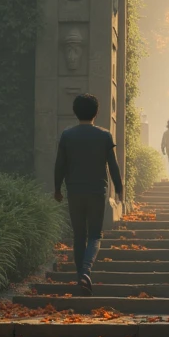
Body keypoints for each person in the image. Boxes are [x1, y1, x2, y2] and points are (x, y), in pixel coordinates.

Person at [54, 93, 123, 294]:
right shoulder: (104, 135)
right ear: (97, 112)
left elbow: (60, 165)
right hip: (96, 191)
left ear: (75, 112)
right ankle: (86, 272)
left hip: (74, 190)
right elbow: (113, 165)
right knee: (94, 235)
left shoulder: (67, 135)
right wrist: (119, 189)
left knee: (79, 235)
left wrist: (57, 188)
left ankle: (80, 278)